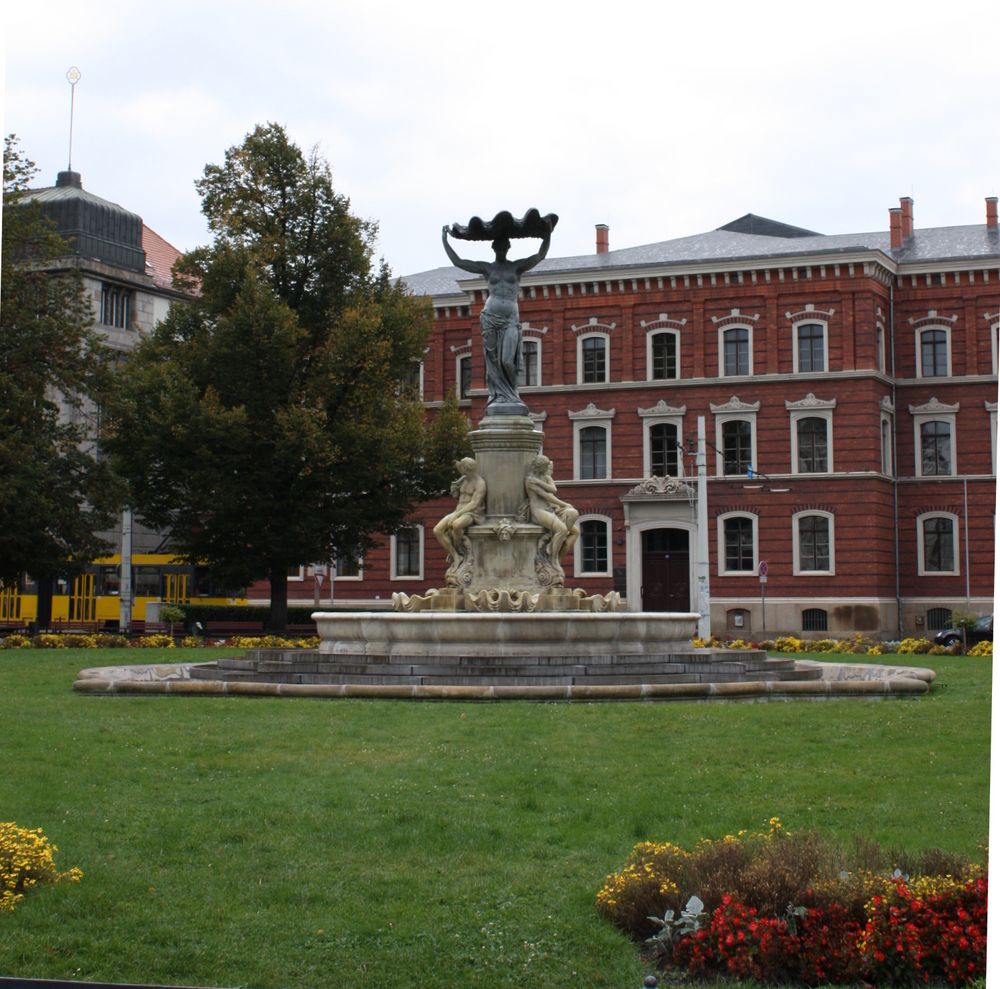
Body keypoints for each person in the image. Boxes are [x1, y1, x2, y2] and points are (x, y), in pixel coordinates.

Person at [441, 226, 551, 414]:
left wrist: (547, 233)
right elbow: (458, 261)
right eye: (498, 247)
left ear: (508, 248)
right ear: (494, 249)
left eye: (504, 246)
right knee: (492, 360)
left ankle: (511, 394)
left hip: (509, 319)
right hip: (490, 317)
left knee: (507, 360)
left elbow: (540, 255)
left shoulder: (516, 267)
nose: (501, 249)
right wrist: (445, 239)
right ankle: (498, 396)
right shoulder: (487, 268)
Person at [524, 455, 579, 562]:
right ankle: (552, 560)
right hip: (538, 510)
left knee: (573, 514)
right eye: (546, 467)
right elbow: (546, 496)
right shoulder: (530, 481)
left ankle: (557, 547)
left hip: (550, 508)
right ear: (540, 467)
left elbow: (553, 490)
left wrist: (539, 482)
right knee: (562, 529)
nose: (549, 469)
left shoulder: (544, 478)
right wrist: (565, 504)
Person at [433, 457, 486, 564]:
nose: (461, 472)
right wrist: (454, 490)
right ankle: (455, 555)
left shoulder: (480, 483)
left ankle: (459, 550)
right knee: (437, 530)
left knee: (456, 525)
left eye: (462, 469)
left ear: (468, 469)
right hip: (458, 510)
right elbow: (458, 497)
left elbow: (474, 504)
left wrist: (456, 515)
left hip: (472, 513)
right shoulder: (464, 479)